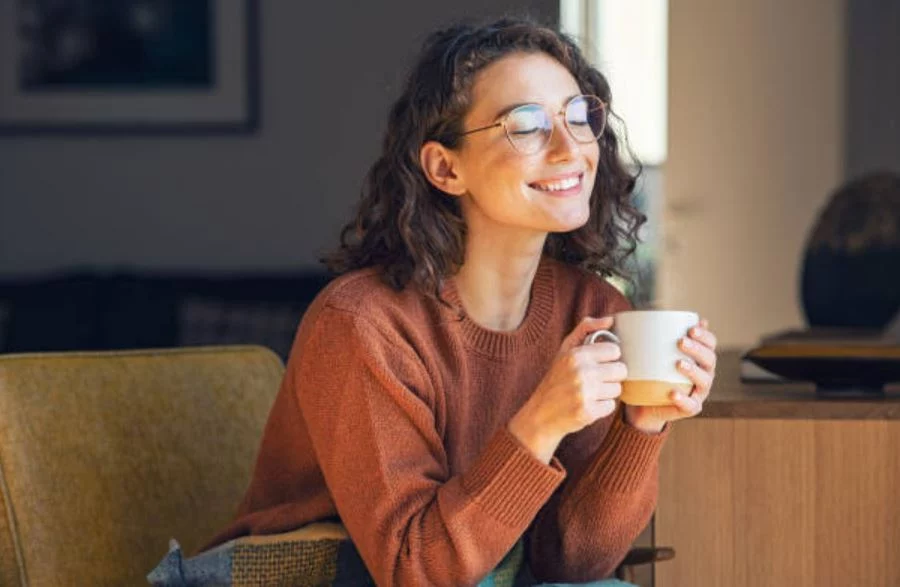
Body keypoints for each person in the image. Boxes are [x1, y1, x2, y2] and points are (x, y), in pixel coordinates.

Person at [205, 16, 718, 586]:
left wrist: (640, 428)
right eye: (526, 126)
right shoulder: (361, 325)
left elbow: (569, 567)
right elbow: (412, 571)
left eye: (579, 115)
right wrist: (539, 423)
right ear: (445, 168)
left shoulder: (592, 314)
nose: (569, 146)